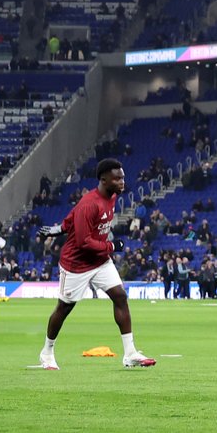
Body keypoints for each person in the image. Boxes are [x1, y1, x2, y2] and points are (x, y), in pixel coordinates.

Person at [37, 159, 154, 371]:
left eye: (123, 177)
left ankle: (130, 353)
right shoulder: (90, 204)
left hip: (100, 261)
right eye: (117, 178)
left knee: (120, 296)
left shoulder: (112, 196)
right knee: (64, 307)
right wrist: (111, 245)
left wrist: (59, 228)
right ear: (103, 180)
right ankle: (47, 352)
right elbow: (83, 243)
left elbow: (72, 217)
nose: (122, 182)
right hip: (77, 264)